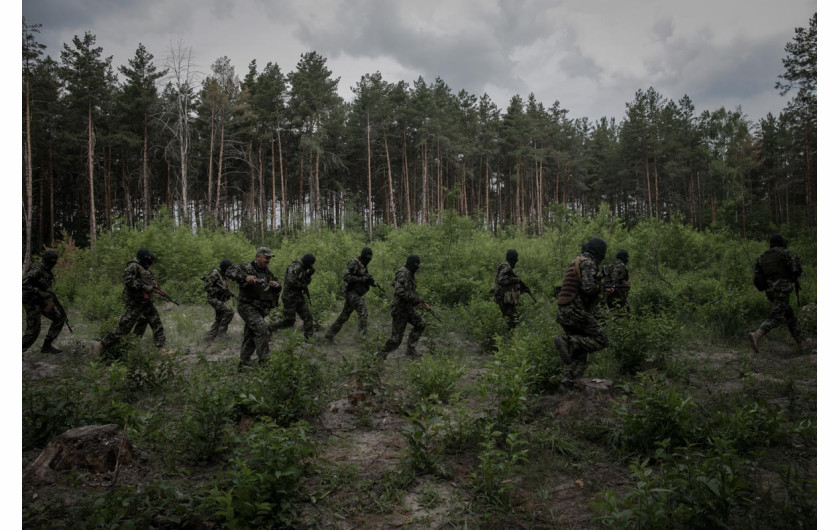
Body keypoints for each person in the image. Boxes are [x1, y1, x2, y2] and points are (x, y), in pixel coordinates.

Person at [92, 248, 167, 356]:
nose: (149, 265)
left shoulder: (144, 268)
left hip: (146, 303)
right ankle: (100, 345)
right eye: (148, 262)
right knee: (123, 329)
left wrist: (153, 285)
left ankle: (161, 349)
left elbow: (148, 280)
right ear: (144, 259)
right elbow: (129, 281)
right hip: (135, 303)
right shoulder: (133, 266)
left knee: (156, 324)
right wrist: (145, 287)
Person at [554, 238, 611, 377]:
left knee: (580, 351)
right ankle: (568, 342)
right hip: (575, 312)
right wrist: (602, 287)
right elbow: (589, 288)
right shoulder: (588, 263)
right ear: (599, 252)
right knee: (601, 340)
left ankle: (568, 381)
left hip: (564, 312)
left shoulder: (577, 260)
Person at [748, 233, 806, 353]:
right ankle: (757, 334)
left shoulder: (762, 257)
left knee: (789, 315)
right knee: (776, 317)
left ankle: (802, 343)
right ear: (781, 242)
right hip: (782, 290)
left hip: (770, 292)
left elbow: (758, 277)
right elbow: (797, 269)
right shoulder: (785, 253)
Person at [226, 247, 282, 367]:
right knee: (262, 329)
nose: (268, 260)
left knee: (250, 335)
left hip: (261, 309)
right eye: (266, 258)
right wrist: (245, 277)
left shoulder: (268, 272)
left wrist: (277, 285)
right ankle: (265, 363)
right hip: (247, 306)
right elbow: (229, 271)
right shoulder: (246, 267)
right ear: (258, 257)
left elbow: (277, 286)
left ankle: (244, 363)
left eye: (269, 258)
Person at [325, 247, 378, 343]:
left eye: (371, 257)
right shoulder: (354, 262)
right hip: (351, 292)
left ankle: (329, 335)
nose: (369, 258)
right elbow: (346, 277)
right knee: (363, 311)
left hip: (356, 293)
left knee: (344, 316)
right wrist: (362, 279)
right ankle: (362, 338)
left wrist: (372, 282)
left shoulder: (363, 265)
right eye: (368, 256)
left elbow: (365, 277)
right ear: (364, 255)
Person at [380, 254, 426, 358]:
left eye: (418, 264)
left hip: (408, 309)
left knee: (420, 324)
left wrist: (417, 298)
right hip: (400, 310)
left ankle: (410, 349)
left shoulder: (410, 273)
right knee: (396, 339)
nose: (417, 266)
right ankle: (379, 356)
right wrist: (414, 298)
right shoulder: (403, 273)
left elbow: (409, 290)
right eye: (416, 264)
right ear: (410, 263)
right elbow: (399, 290)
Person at [22, 250, 65, 354]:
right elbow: (23, 285)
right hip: (32, 303)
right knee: (33, 331)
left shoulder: (46, 270)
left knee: (59, 317)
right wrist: (39, 292)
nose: (54, 263)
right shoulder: (36, 270)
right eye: (53, 261)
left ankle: (47, 346)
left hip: (43, 301)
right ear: (48, 260)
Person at [273, 253, 316, 340]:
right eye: (310, 264)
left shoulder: (303, 269)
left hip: (298, 297)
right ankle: (268, 329)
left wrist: (308, 275)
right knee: (289, 321)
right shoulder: (295, 266)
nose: (310, 266)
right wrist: (301, 285)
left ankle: (309, 339)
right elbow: (290, 281)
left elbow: (305, 283)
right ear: (307, 262)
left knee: (308, 317)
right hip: (290, 297)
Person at [493, 249, 531, 329]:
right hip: (503, 298)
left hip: (504, 298)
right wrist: (516, 280)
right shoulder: (506, 266)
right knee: (511, 320)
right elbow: (502, 280)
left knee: (511, 319)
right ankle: (508, 338)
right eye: (516, 258)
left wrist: (522, 287)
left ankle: (508, 337)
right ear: (512, 258)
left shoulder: (506, 266)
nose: (517, 260)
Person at [204, 259, 235, 341]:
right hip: (213, 298)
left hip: (221, 299)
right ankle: (222, 333)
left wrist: (228, 292)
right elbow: (207, 287)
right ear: (225, 267)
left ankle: (209, 337)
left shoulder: (225, 274)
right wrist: (218, 290)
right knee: (229, 311)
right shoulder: (215, 273)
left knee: (219, 318)